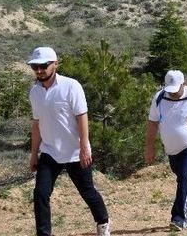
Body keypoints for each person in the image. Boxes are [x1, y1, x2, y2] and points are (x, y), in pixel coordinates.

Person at [27, 47, 111, 236]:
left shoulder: (71, 86)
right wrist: (34, 154)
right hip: (49, 152)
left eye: (43, 66)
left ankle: (103, 222)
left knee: (87, 192)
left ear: (55, 64)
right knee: (40, 194)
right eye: (35, 67)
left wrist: (84, 147)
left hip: (74, 151)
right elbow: (36, 124)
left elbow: (82, 116)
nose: (39, 70)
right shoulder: (35, 92)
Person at [145, 70, 187, 230]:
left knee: (185, 177)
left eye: (176, 89)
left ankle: (179, 218)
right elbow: (153, 123)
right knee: (186, 179)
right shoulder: (159, 98)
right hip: (172, 150)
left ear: (183, 83)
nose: (173, 93)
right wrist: (149, 147)